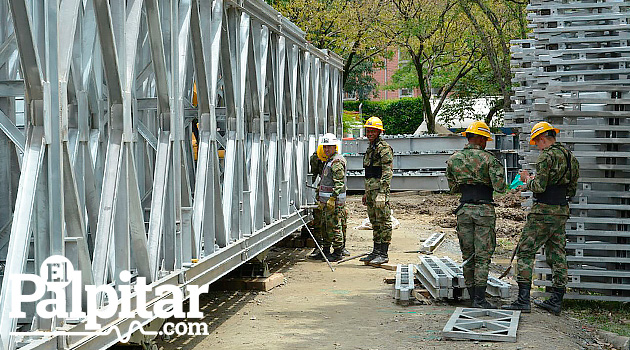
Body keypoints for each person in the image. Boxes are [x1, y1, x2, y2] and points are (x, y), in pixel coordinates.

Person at [503, 122, 579, 315]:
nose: (537, 146)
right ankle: (556, 300)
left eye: (537, 143)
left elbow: (539, 187)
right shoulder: (571, 158)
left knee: (526, 251)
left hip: (543, 211)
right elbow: (572, 189)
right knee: (558, 254)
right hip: (561, 210)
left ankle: (523, 300)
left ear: (543, 139)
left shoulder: (547, 156)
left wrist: (527, 180)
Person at [446, 121, 507, 308]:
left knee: (468, 254)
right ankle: (480, 299)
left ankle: (472, 295)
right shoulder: (489, 160)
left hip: (463, 210)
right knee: (482, 255)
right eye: (486, 139)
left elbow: (453, 188)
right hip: (484, 211)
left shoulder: (453, 159)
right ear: (481, 139)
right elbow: (501, 188)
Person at [359, 117, 393, 265]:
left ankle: (383, 253)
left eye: (373, 131)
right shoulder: (370, 148)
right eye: (368, 131)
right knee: (374, 221)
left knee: (383, 221)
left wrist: (383, 193)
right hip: (371, 191)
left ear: (379, 132)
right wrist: (367, 193)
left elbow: (387, 171)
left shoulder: (383, 148)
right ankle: (376, 251)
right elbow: (369, 173)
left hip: (379, 191)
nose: (370, 133)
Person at [317, 133, 347, 262]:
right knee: (326, 227)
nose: (326, 149)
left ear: (335, 146)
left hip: (334, 203)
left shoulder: (336, 162)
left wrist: (332, 199)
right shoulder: (329, 161)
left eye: (329, 147)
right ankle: (326, 250)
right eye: (325, 147)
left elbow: (339, 183)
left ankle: (337, 252)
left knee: (335, 227)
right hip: (326, 202)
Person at [308, 145, 326, 260]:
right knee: (318, 219)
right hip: (322, 190)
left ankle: (340, 247)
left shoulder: (337, 159)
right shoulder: (316, 157)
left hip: (336, 192)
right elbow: (313, 175)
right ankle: (319, 246)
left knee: (338, 220)